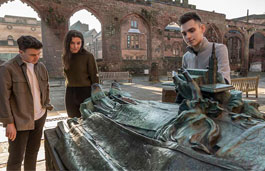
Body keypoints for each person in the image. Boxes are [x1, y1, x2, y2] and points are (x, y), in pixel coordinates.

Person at [0, 35, 53, 170]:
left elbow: (46, 87)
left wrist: (46, 106)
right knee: (16, 158)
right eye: (32, 55)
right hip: (19, 121)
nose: (36, 58)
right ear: (20, 52)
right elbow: (3, 97)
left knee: (33, 153)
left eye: (38, 54)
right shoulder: (7, 69)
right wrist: (9, 123)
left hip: (39, 117)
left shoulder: (40, 67)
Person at [179, 12, 231, 84]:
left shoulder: (219, 49)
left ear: (202, 29)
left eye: (191, 31)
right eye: (184, 34)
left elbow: (224, 82)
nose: (188, 36)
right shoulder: (186, 57)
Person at [62, 30, 99, 118]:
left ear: (82, 43)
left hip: (85, 92)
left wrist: (96, 95)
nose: (75, 46)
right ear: (67, 43)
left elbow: (94, 77)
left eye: (78, 43)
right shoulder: (65, 57)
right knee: (72, 119)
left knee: (86, 120)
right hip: (70, 92)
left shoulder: (88, 56)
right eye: (72, 43)